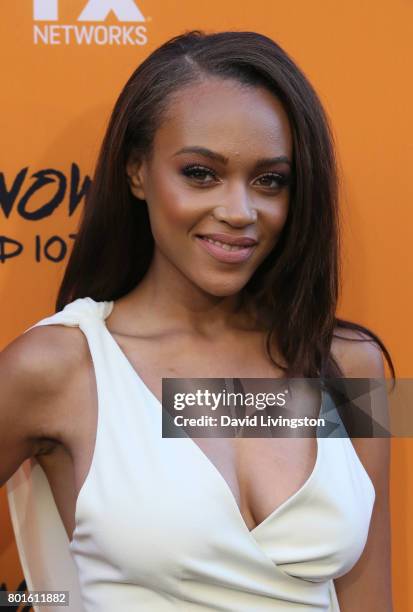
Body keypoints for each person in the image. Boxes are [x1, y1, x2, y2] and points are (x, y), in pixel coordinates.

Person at [1, 30, 394, 611]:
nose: (239, 211)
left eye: (270, 180)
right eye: (201, 173)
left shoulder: (352, 363)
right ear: (137, 171)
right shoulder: (57, 367)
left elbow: (371, 597)